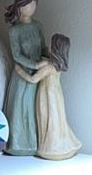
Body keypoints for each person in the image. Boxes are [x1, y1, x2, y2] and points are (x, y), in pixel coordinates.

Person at [3, 0, 49, 155]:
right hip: (23, 73)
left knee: (38, 106)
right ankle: (19, 144)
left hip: (40, 71)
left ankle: (35, 142)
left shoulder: (38, 26)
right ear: (20, 7)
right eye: (29, 5)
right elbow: (16, 55)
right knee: (23, 107)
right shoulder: (14, 31)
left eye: (34, 4)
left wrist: (50, 59)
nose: (32, 8)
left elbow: (43, 47)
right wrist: (34, 64)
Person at [35, 32, 82, 160]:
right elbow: (42, 64)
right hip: (56, 93)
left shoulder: (50, 66)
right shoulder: (58, 64)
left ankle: (53, 147)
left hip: (47, 94)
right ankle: (60, 143)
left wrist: (20, 70)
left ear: (54, 48)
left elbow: (34, 78)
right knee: (58, 119)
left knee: (50, 118)